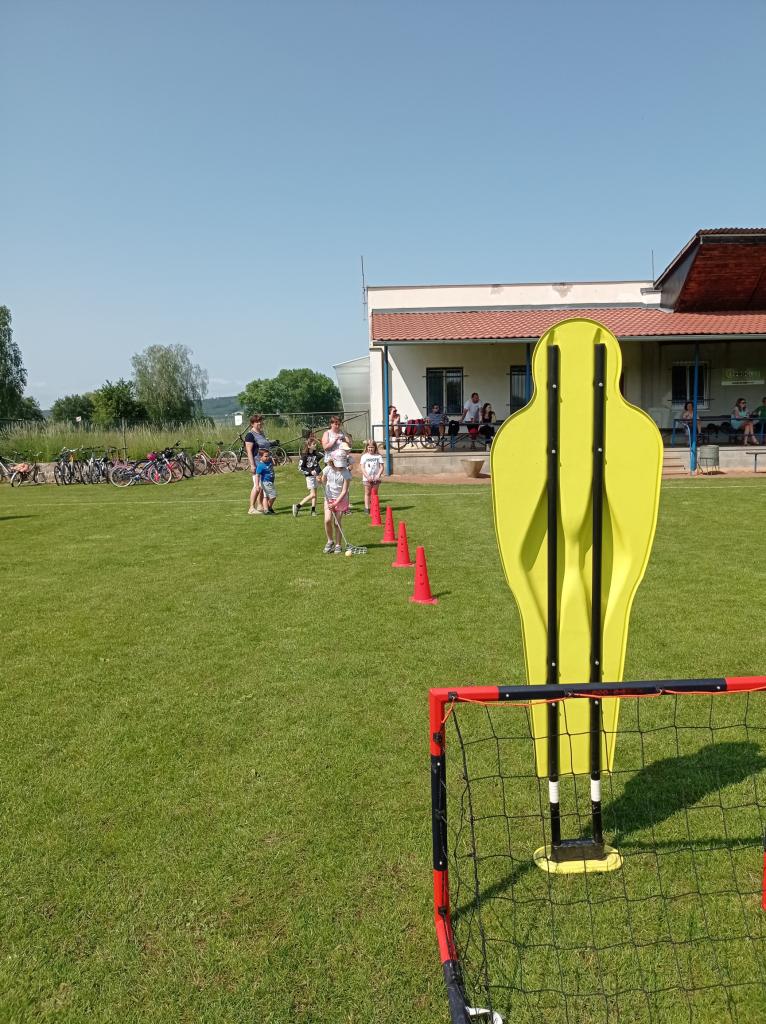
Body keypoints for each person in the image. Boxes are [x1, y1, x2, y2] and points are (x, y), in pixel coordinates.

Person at [321, 448, 352, 553]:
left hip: (341, 500)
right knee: (327, 520)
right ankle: (330, 541)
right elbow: (323, 481)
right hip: (329, 498)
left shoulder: (346, 473)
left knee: (337, 523)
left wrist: (335, 503)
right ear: (333, 460)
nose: (340, 466)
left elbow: (344, 491)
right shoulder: (327, 469)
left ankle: (338, 544)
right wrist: (319, 480)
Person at [245, 414, 269, 514]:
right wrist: (252, 465)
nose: (259, 423)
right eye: (257, 421)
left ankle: (259, 505)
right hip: (256, 463)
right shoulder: (250, 435)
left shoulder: (262, 433)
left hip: (264, 464)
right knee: (257, 486)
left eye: (260, 421)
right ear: (252, 424)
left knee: (262, 486)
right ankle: (251, 508)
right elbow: (249, 451)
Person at [292, 437, 322, 517]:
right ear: (309, 446)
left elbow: (317, 464)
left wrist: (317, 472)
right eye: (314, 444)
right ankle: (298, 506)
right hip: (309, 477)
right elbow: (300, 468)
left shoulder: (316, 454)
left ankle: (313, 510)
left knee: (315, 494)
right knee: (313, 495)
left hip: (315, 476)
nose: (315, 445)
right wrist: (310, 472)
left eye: (315, 444)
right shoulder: (304, 456)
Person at [360, 439, 384, 514]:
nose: (370, 449)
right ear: (367, 447)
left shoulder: (378, 456)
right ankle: (367, 508)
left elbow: (381, 467)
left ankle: (374, 507)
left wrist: (378, 475)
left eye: (372, 447)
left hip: (376, 478)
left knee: (375, 493)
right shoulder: (364, 456)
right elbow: (362, 467)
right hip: (367, 478)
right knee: (367, 493)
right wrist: (367, 476)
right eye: (369, 447)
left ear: (375, 447)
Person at [255, 449, 277, 514]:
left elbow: (275, 464)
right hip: (266, 483)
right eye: (266, 456)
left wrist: (273, 459)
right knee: (273, 496)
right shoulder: (260, 465)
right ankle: (269, 507)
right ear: (260, 457)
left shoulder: (269, 462)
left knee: (266, 496)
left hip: (270, 482)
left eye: (268, 456)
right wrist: (257, 485)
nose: (267, 457)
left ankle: (266, 509)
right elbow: (257, 476)